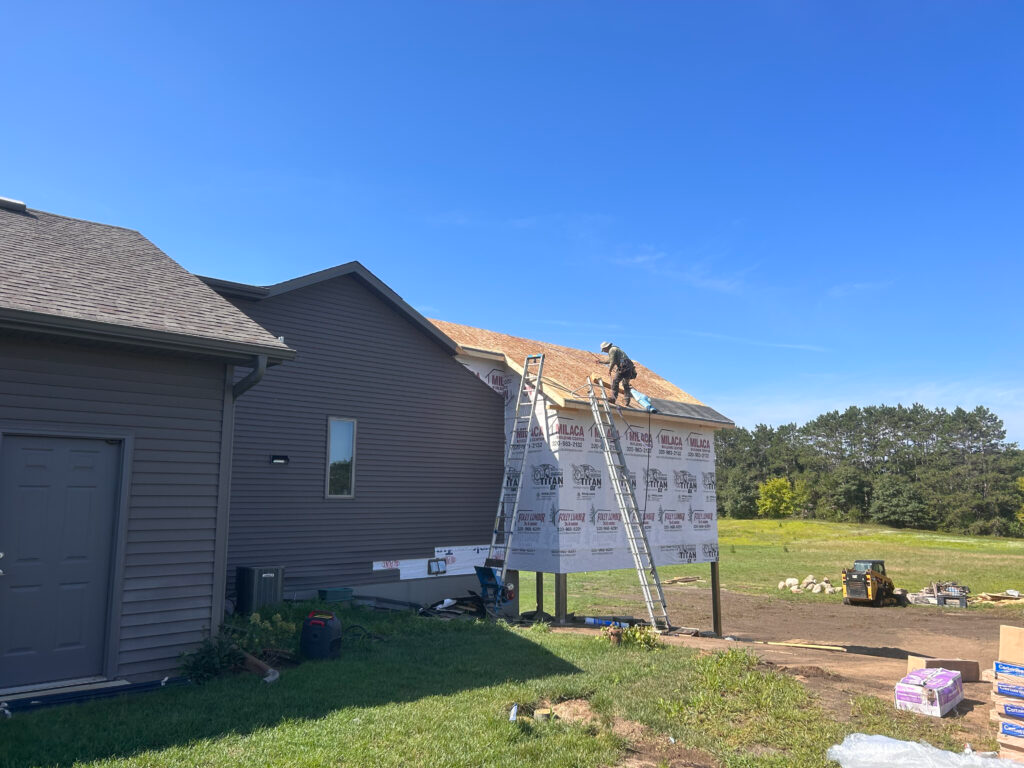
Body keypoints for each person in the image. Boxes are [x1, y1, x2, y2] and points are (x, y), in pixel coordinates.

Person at [598, 341, 637, 406]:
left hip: (623, 366)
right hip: (629, 367)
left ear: (606, 347)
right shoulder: (616, 349)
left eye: (604, 350)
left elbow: (612, 361)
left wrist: (610, 370)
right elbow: (610, 360)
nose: (604, 351)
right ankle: (627, 400)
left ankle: (613, 398)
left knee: (615, 381)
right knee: (625, 384)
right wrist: (601, 362)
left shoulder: (611, 350)